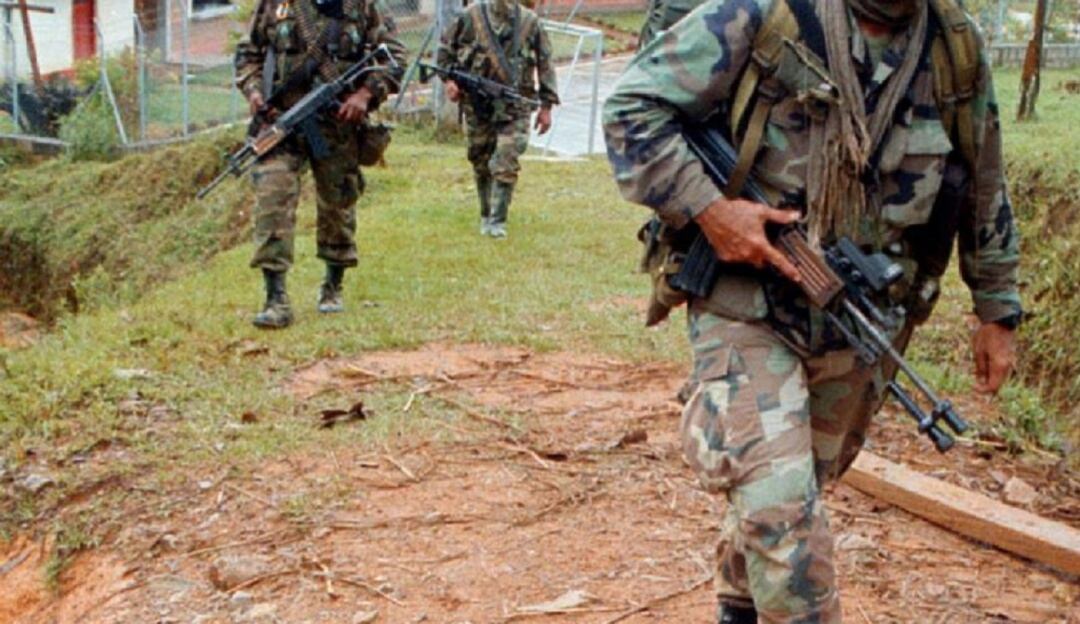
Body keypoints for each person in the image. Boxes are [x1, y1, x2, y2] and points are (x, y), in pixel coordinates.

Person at [603, 0, 1022, 621]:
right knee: (781, 512)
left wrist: (997, 308)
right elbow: (631, 108)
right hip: (746, 303)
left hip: (859, 317)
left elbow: (983, 178)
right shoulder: (763, 13)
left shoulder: (952, 44)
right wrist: (712, 212)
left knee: (787, 498)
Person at [234, 0, 406, 329]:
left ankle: (333, 284)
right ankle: (275, 298)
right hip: (282, 122)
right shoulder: (276, 4)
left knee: (337, 203)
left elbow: (394, 56)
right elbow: (248, 53)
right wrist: (255, 92)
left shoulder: (361, 5)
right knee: (272, 198)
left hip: (337, 124)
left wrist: (365, 95)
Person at [436, 0, 559, 238]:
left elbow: (545, 63)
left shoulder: (529, 22)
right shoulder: (470, 16)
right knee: (480, 157)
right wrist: (449, 81)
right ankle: (486, 213)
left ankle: (497, 220)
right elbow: (445, 52)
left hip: (515, 106)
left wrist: (547, 106)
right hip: (477, 104)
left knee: (506, 158)